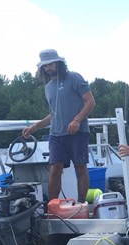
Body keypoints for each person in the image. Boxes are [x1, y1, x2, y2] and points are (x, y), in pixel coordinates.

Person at [22, 49, 96, 203]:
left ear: (58, 63)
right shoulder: (48, 87)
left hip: (78, 132)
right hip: (56, 134)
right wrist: (35, 127)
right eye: (45, 65)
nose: (48, 68)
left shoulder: (74, 77)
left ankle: (82, 204)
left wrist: (77, 120)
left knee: (80, 167)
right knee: (55, 169)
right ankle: (53, 206)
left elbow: (90, 102)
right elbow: (53, 114)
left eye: (51, 64)